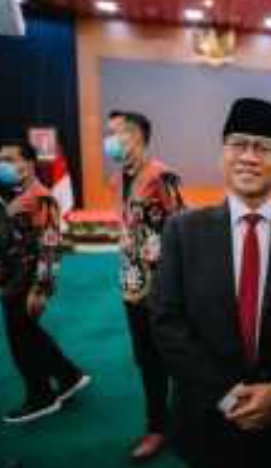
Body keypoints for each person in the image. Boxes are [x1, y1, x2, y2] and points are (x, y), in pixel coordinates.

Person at [152, 97, 271, 468]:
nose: (249, 156)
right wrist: (225, 394)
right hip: (206, 416)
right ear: (222, 154)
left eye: (265, 147)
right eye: (238, 144)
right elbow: (167, 323)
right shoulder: (183, 230)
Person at [108, 111, 184, 461]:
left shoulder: (161, 176)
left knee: (175, 355)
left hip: (163, 287)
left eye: (117, 133)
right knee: (148, 360)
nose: (110, 140)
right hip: (131, 284)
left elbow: (181, 225)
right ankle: (158, 427)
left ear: (136, 135)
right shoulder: (118, 179)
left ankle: (188, 421)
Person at [0, 139, 90, 424]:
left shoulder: (42, 197)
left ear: (29, 163)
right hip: (8, 279)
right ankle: (69, 375)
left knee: (20, 339)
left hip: (27, 281)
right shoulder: (11, 193)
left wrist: (41, 289)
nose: (3, 165)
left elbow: (51, 246)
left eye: (10, 159)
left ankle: (40, 396)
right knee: (28, 333)